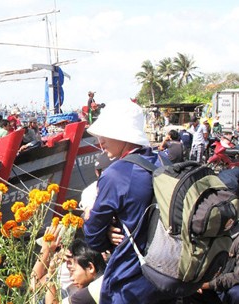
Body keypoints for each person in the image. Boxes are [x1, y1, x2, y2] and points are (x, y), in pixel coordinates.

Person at [83, 100, 171, 303]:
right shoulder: (164, 161)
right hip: (168, 275)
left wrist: (95, 221)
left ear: (122, 134)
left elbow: (93, 237)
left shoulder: (115, 174)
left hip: (130, 280)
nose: (100, 142)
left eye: (105, 135)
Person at [44, 238, 106, 304]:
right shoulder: (109, 276)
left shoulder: (92, 291)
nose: (71, 278)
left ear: (90, 267)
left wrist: (50, 273)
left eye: (72, 271)